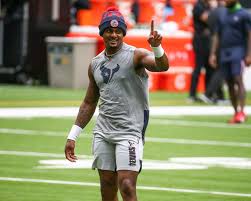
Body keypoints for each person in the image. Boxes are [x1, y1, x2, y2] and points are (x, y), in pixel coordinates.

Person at [64, 6, 169, 201]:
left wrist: (156, 47)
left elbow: (162, 66)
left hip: (129, 131)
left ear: (123, 33)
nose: (114, 35)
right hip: (103, 132)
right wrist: (73, 136)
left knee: (127, 186)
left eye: (118, 31)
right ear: (102, 33)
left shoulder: (135, 55)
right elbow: (89, 102)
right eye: (109, 31)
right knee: (107, 189)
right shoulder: (95, 63)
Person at [209, 0, 251, 123]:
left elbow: (249, 34)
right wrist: (212, 53)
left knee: (238, 79)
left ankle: (242, 112)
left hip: (238, 50)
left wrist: (249, 54)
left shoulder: (244, 14)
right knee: (229, 83)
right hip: (224, 52)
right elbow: (216, 35)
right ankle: (236, 112)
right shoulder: (222, 14)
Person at [199, 0, 228, 104]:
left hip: (211, 43)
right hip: (222, 43)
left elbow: (208, 25)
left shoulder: (213, 12)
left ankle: (220, 97)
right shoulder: (225, 12)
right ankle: (208, 94)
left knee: (217, 70)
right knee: (221, 70)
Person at [188, 0, 216, 103]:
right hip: (200, 40)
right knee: (198, 68)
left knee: (209, 68)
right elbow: (206, 18)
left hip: (208, 41)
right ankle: (192, 94)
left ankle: (208, 94)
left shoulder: (207, 5)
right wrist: (214, 9)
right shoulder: (198, 5)